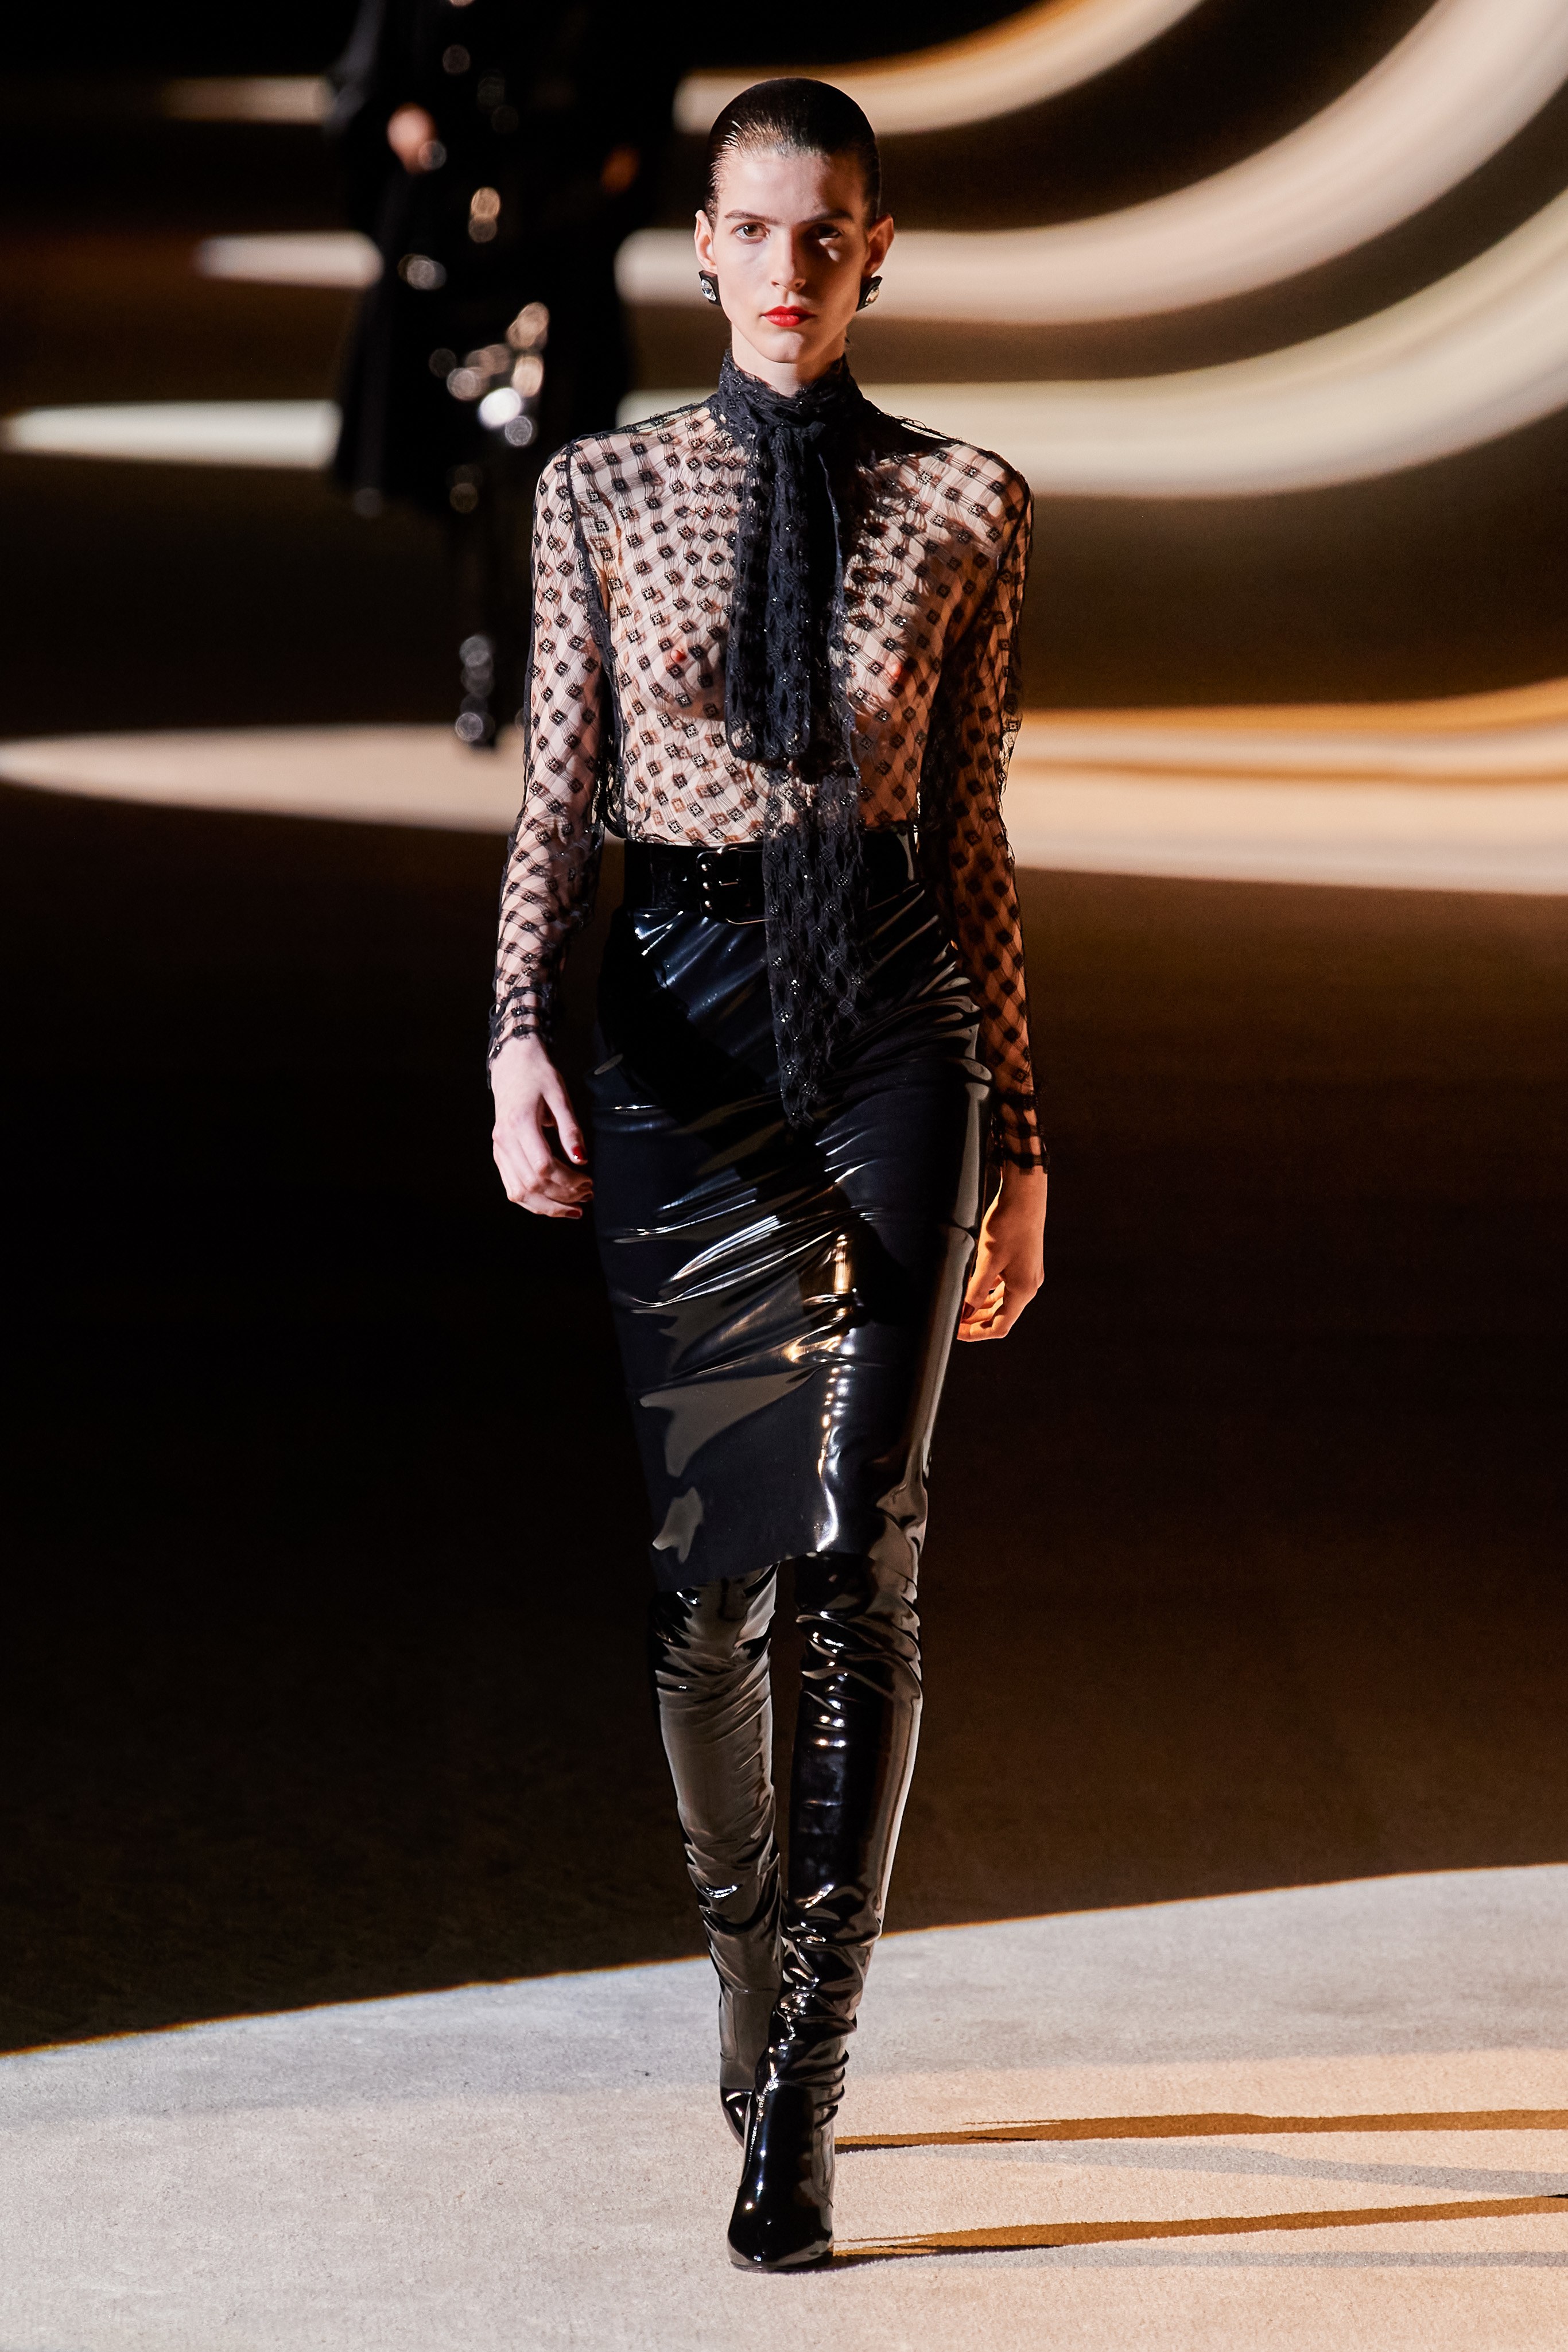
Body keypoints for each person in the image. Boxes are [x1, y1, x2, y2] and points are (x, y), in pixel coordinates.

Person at [488, 77, 1047, 2270]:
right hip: (681, 1032)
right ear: (703, 246)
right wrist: (516, 1034)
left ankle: (805, 2079)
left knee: (865, 1551)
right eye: (757, 229)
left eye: (831, 234)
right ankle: (744, 1975)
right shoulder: (601, 488)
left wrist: (1029, 1140)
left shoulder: (967, 500)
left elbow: (975, 837)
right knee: (709, 1583)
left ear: (877, 249)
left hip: (896, 1015)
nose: (793, 269)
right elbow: (558, 794)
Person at [326, 0, 681, 745]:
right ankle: (487, 653)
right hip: (448, 241)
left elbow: (645, 66)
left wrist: (621, 151)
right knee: (466, 469)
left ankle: (541, 658)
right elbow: (365, 81)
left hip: (556, 229)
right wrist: (396, 118)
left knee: (551, 459)